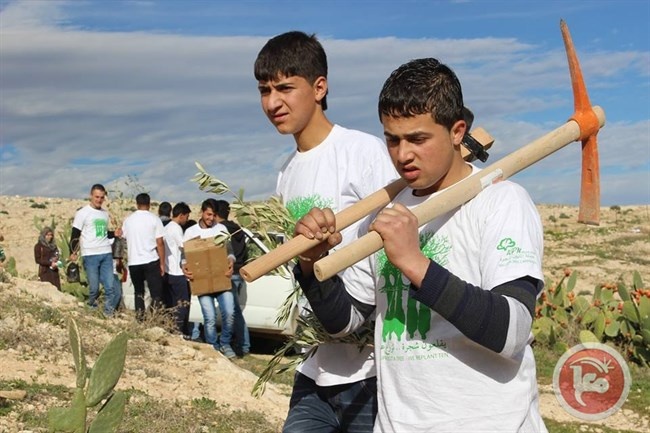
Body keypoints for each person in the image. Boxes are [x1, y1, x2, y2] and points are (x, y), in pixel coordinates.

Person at [292, 58, 547, 432]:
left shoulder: (502, 202)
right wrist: (312, 264)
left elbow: (511, 332)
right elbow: (343, 323)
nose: (402, 154)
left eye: (417, 139)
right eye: (392, 139)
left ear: (457, 131)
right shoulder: (382, 215)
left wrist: (415, 263)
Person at [254, 31, 399, 433]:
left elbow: (394, 243)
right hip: (314, 368)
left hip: (369, 370)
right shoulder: (286, 173)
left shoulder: (362, 152)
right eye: (264, 90)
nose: (272, 103)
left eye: (285, 88)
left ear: (320, 87)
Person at [182, 198, 238, 359]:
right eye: (208, 215)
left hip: (222, 278)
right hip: (201, 282)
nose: (211, 218)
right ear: (201, 212)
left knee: (229, 312)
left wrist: (231, 262)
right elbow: (184, 256)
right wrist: (184, 267)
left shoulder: (222, 229)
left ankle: (225, 343)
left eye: (213, 215)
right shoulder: (191, 232)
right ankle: (213, 346)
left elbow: (230, 252)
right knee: (210, 317)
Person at [70, 184, 120, 315]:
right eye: (97, 197)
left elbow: (102, 233)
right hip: (90, 254)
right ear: (91, 196)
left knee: (110, 288)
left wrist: (114, 233)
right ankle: (91, 309)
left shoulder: (104, 214)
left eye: (102, 197)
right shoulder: (82, 213)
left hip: (106, 253)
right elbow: (75, 233)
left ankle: (107, 314)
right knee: (94, 289)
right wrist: (73, 252)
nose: (99, 200)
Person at [121, 193, 165, 320]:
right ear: (149, 204)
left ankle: (140, 319)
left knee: (138, 292)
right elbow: (160, 243)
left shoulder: (129, 220)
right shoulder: (154, 219)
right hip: (151, 260)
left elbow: (123, 238)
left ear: (137, 204)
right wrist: (162, 263)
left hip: (134, 261)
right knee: (156, 293)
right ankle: (155, 318)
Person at [215, 199, 250, 357]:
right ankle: (242, 343)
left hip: (228, 274)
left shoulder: (220, 231)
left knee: (232, 311)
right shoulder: (238, 230)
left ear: (215, 214)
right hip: (239, 272)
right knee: (235, 310)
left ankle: (243, 345)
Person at [163, 201, 192, 337]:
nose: (186, 220)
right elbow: (184, 246)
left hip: (168, 271)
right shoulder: (176, 228)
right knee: (182, 303)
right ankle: (178, 330)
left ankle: (171, 328)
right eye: (186, 217)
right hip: (177, 271)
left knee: (172, 303)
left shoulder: (167, 227)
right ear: (181, 215)